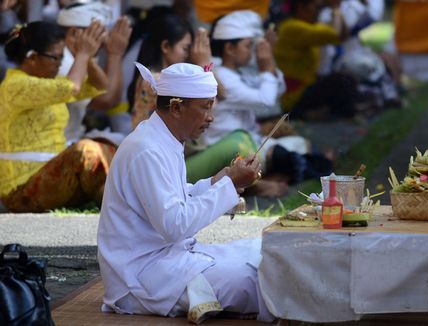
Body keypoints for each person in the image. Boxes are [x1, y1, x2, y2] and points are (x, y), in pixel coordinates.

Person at [97, 62, 275, 323]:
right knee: (257, 277)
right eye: (205, 107)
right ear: (177, 107)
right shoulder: (147, 149)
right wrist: (227, 186)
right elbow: (175, 224)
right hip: (141, 276)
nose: (211, 117)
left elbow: (175, 198)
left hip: (168, 260)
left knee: (265, 253)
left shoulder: (163, 138)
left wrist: (219, 181)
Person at [207, 10, 333, 189]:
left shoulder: (236, 72)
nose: (252, 52)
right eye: (248, 46)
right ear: (229, 49)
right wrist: (266, 65)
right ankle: (265, 182)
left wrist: (269, 62)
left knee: (303, 145)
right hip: (231, 148)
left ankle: (275, 175)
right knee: (291, 158)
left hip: (250, 140)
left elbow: (277, 89)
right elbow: (266, 100)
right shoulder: (223, 77)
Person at [0, 21, 115, 213]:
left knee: (110, 149)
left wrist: (87, 58)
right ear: (32, 57)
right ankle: (121, 212)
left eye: (62, 58)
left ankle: (123, 210)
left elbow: (100, 85)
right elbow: (73, 87)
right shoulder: (15, 85)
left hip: (51, 176)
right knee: (85, 151)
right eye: (55, 58)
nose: (60, 64)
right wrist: (83, 54)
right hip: (20, 192)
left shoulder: (47, 84)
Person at [57, 1, 133, 142]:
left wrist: (115, 54)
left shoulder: (80, 56)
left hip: (73, 138)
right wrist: (115, 55)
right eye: (99, 33)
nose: (104, 40)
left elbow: (114, 100)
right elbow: (105, 101)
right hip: (59, 145)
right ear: (74, 33)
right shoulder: (61, 61)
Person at [275, 0, 361, 119]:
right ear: (301, 7)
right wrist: (335, 9)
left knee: (347, 80)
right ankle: (303, 113)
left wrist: (335, 10)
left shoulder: (307, 26)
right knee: (342, 81)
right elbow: (335, 33)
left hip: (305, 87)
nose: (318, 12)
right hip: (294, 95)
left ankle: (323, 112)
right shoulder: (292, 27)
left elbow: (342, 36)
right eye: (316, 8)